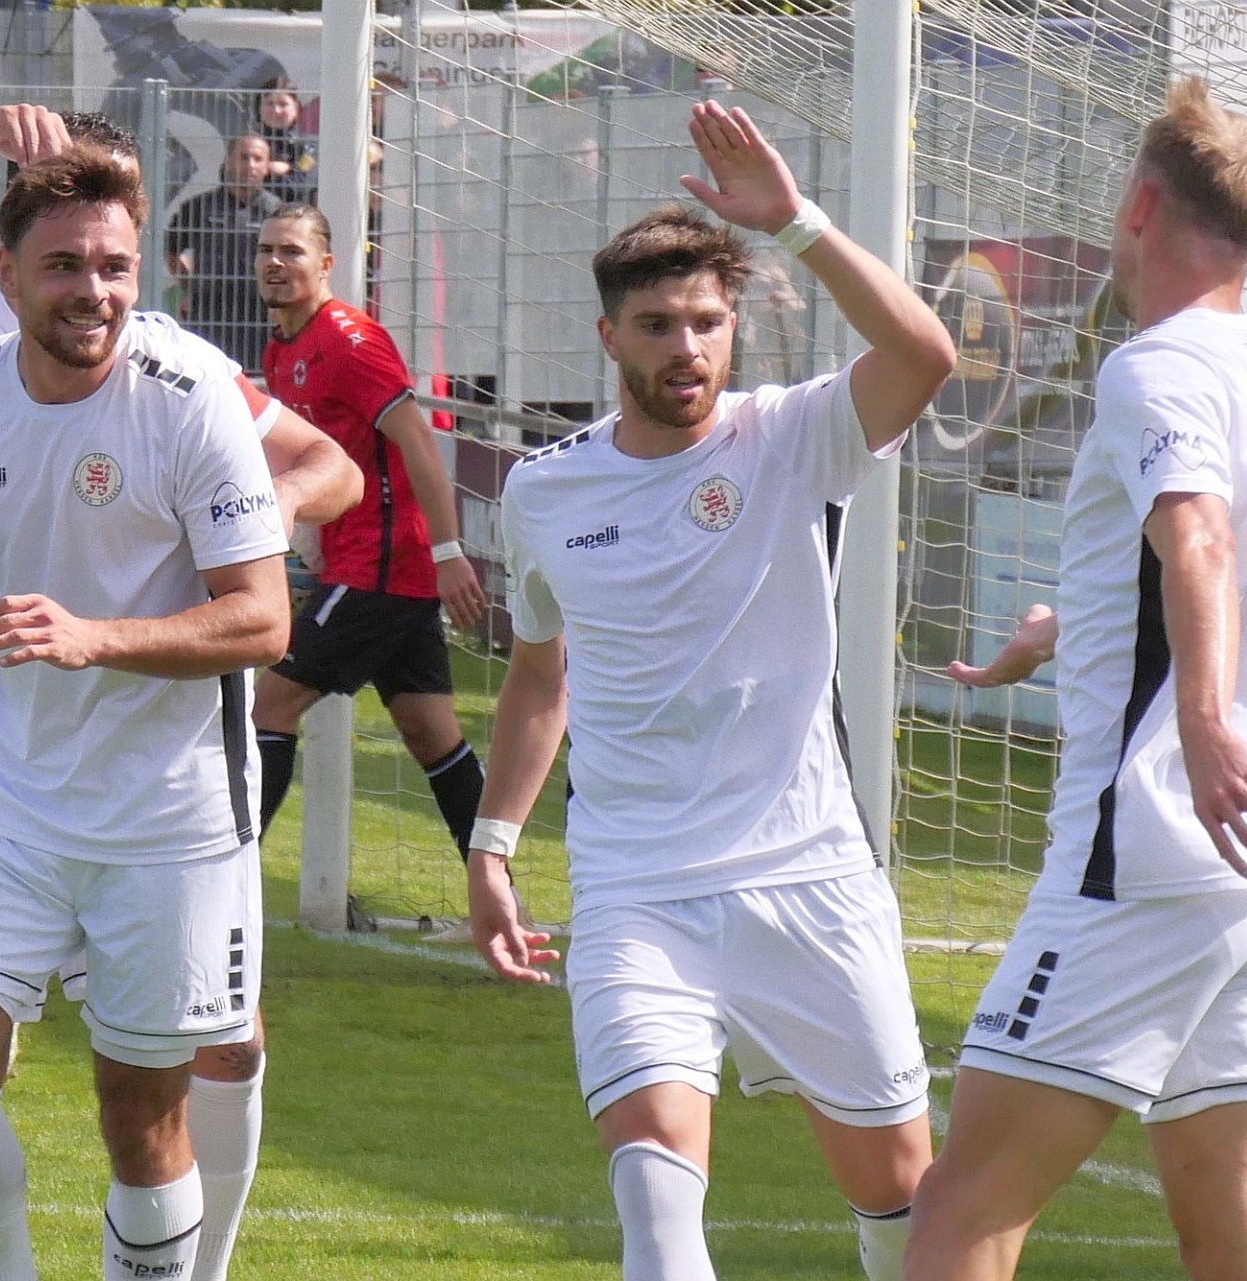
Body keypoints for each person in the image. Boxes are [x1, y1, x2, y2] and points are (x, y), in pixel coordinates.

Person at [0, 105, 358, 1281]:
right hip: (6, 793)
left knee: (139, 1112)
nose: (93, 291)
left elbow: (263, 620)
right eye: (63, 266)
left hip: (167, 815)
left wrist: (94, 636)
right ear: (6, 276)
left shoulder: (191, 392)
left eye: (113, 266)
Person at [468, 102, 957, 1280]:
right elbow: (539, 676)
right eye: (656, 325)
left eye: (706, 322)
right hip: (637, 888)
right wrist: (491, 846)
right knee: (653, 1190)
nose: (685, 347)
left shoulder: (791, 437)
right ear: (609, 337)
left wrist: (797, 224)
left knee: (902, 1199)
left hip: (808, 872)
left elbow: (926, 358)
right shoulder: (544, 492)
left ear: (734, 327)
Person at [906, 80, 1247, 1281]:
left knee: (960, 1214)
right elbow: (1202, 566)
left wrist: (1200, 725)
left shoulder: (1155, 367)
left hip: (1150, 852)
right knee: (1236, 1229)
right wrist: (1068, 627)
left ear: (1137, 205)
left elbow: (1202, 543)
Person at [252, 203, 491, 879]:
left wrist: (448, 553)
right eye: (266, 250)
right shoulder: (281, 348)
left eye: (292, 251)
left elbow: (419, 442)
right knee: (431, 733)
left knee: (269, 704)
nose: (275, 262)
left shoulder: (351, 341)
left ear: (327, 264)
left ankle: (227, 888)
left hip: (382, 568)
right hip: (369, 565)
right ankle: (500, 901)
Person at [167, 133, 281, 372]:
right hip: (208, 312)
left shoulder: (276, 211)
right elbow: (172, 250)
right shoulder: (199, 206)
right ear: (228, 161)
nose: (250, 165)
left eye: (258, 159)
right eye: (243, 157)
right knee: (204, 375)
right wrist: (191, 287)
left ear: (267, 166)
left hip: (257, 314)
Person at [254, 78, 315, 203]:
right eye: (269, 104)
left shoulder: (309, 146)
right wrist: (268, 167)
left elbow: (299, 185)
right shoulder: (248, 143)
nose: (276, 110)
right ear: (259, 108)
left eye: (283, 104)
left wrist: (258, 172)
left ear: (296, 108)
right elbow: (230, 177)